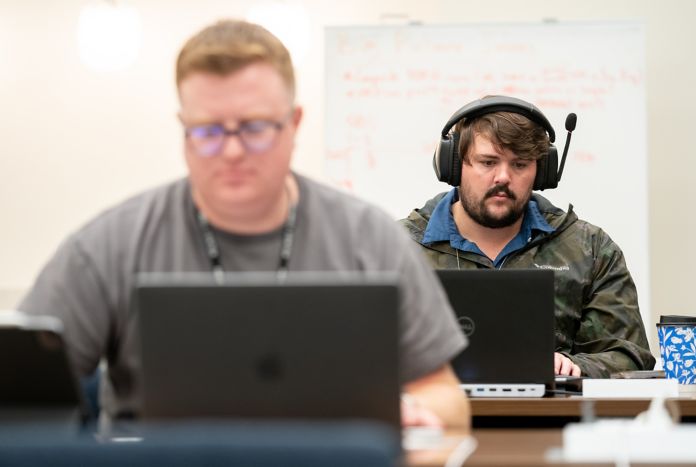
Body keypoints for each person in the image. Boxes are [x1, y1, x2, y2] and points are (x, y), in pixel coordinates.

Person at [18, 19, 469, 429]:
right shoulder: (109, 247)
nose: (232, 151)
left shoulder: (371, 239)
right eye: (209, 131)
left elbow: (445, 397)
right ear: (184, 129)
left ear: (293, 124)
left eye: (254, 127)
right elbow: (18, 399)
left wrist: (420, 415)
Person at [400, 95, 655, 378]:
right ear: (455, 166)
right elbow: (365, 351)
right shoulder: (399, 248)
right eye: (488, 162)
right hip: (436, 417)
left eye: (520, 164)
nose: (503, 177)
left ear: (542, 172)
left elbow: (631, 356)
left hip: (554, 419)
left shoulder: (590, 250)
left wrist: (577, 367)